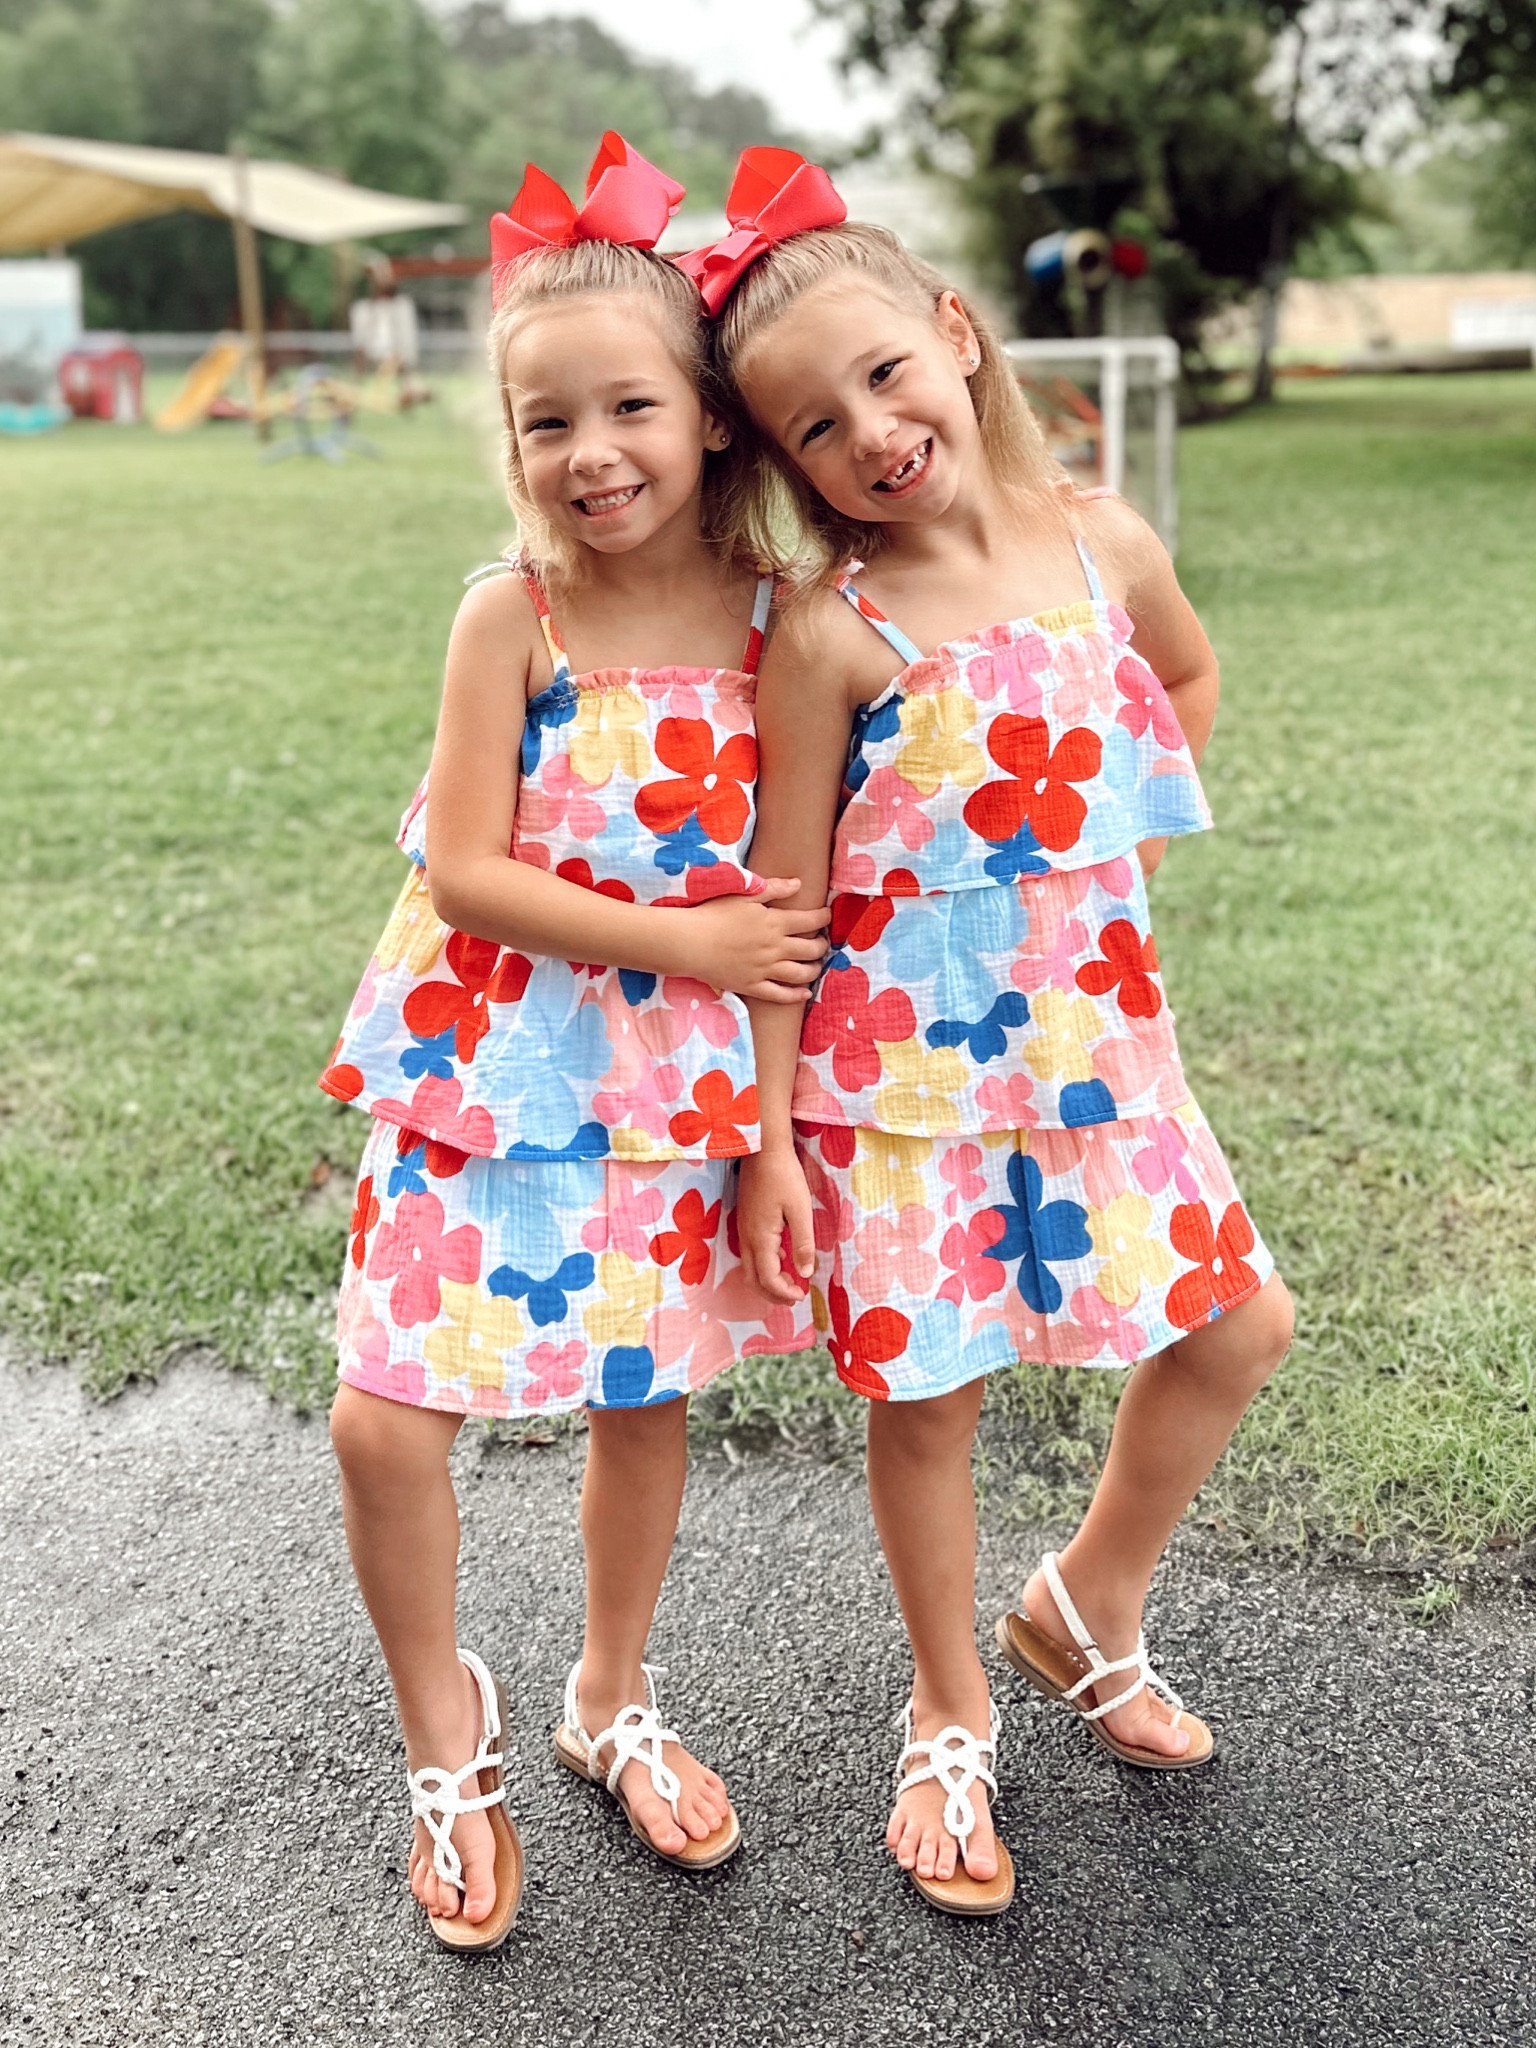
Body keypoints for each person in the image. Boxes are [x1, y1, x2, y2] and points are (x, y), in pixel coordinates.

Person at [696, 152, 1295, 1918]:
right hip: (905, 1100)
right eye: (815, 429)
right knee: (931, 1400)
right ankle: (947, 1704)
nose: (870, 432)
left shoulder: (1103, 544)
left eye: (886, 374)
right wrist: (768, 1138)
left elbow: (1182, 679)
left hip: (1106, 1058)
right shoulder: (833, 634)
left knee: (1241, 1325)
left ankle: (1086, 1599)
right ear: (790, 471)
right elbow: (784, 915)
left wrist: (1133, 834)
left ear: (955, 337)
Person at [320, 137, 829, 1951]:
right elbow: (466, 873)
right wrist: (678, 938)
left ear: (708, 421)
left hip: (679, 1092)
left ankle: (609, 1696)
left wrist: (769, 1139)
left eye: (628, 407)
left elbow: (787, 925)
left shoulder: (786, 625)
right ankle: (442, 1734)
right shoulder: (509, 615)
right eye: (547, 423)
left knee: (645, 1393)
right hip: (486, 1066)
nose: (589, 452)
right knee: (388, 1426)